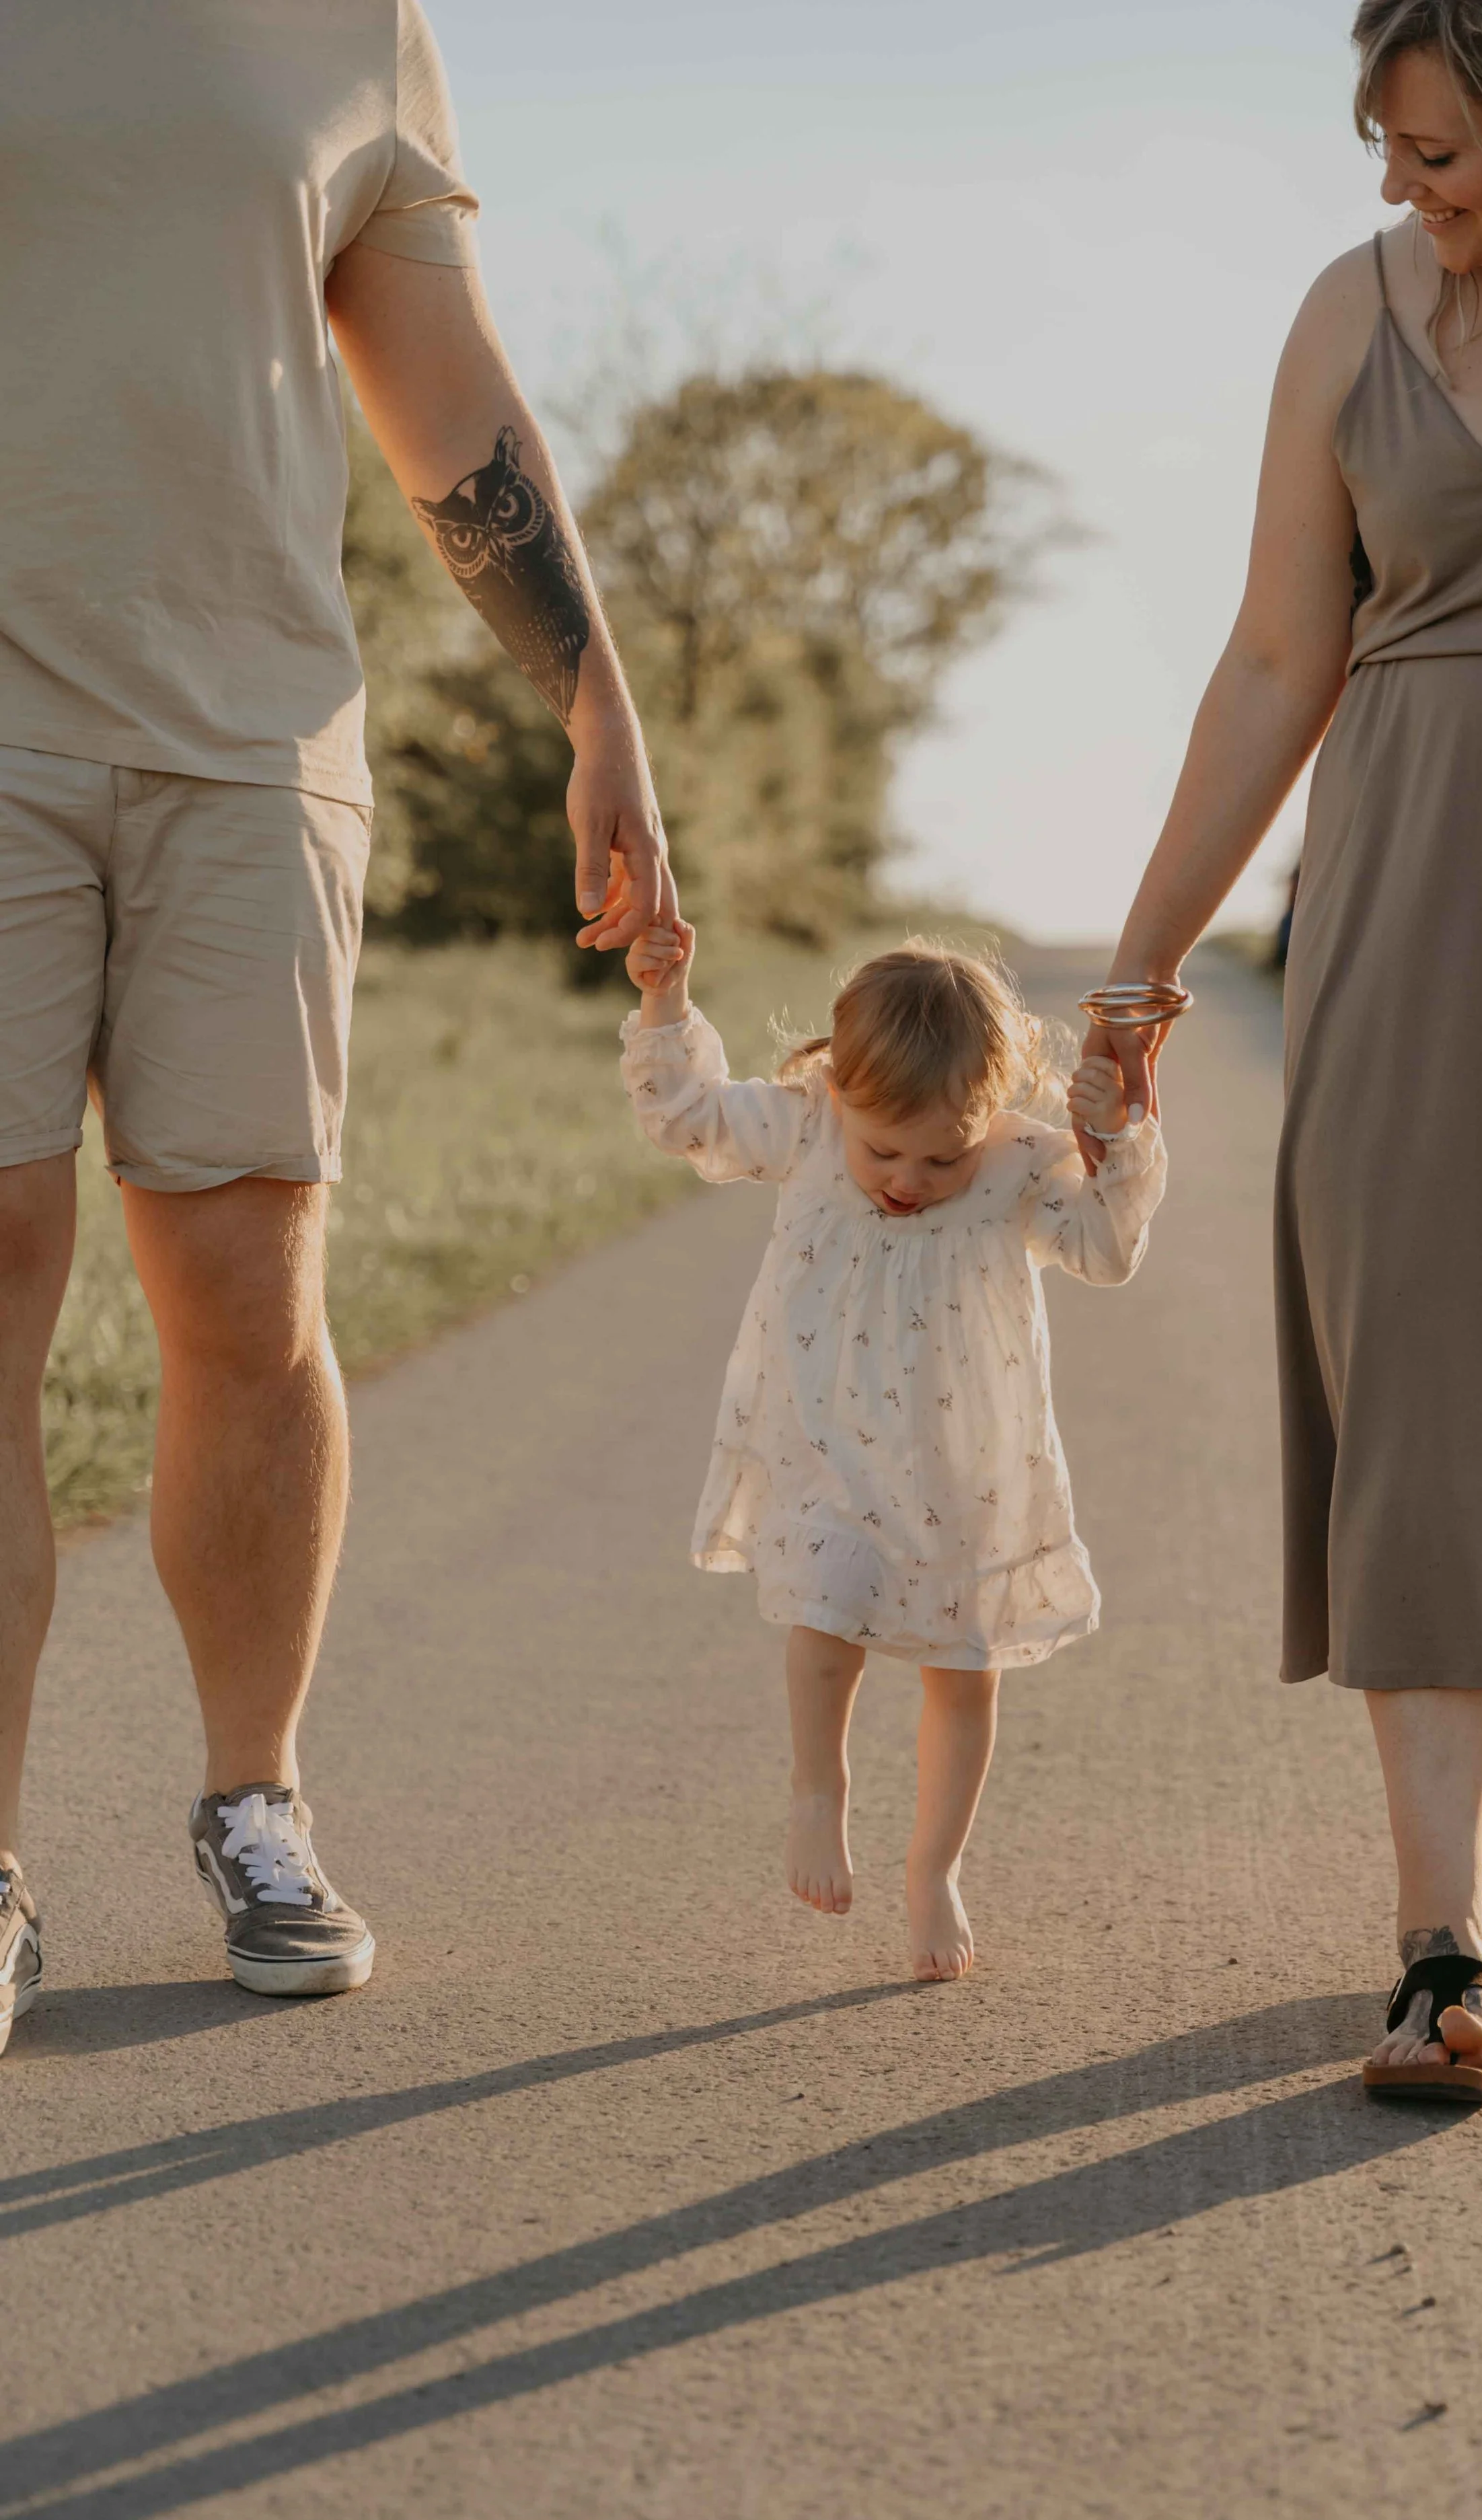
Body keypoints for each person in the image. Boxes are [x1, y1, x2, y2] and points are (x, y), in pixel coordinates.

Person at [0, 0, 671, 2050]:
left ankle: (252, 1795)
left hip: (250, 737)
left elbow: (449, 409)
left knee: (244, 1278)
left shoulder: (355, 27)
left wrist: (596, 705)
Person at [1080, 0, 1482, 2101]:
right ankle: (1434, 1938)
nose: (1403, 194)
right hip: (1414, 885)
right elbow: (1272, 655)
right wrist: (1138, 973)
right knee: (1429, 1373)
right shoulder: (1351, 314)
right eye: (1388, 153)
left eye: (1439, 155)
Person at [619, 924, 1166, 1980]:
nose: (909, 1179)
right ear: (834, 1084)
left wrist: (1123, 1138)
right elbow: (685, 1116)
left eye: (940, 1157)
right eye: (886, 1151)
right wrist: (665, 1001)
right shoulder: (809, 1127)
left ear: (992, 1116)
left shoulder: (1018, 1164)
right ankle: (817, 1793)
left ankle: (935, 1867)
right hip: (826, 1445)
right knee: (826, 1614)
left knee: (966, 1671)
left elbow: (1103, 1251)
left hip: (968, 1463)